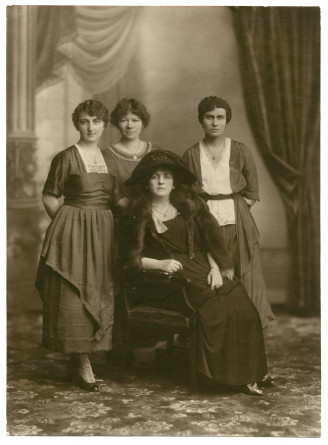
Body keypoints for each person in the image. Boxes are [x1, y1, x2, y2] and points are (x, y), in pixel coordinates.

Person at [121, 149, 273, 396]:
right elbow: (128, 262)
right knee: (218, 311)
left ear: (174, 182)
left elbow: (208, 245)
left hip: (203, 267)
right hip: (168, 280)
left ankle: (251, 369)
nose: (161, 181)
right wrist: (159, 265)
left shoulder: (190, 206)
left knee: (243, 305)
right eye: (155, 177)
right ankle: (228, 377)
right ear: (146, 182)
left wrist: (215, 268)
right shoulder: (137, 215)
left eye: (166, 177)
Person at [35, 99, 117, 392]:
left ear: (105, 125)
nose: (91, 127)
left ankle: (79, 360)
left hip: (104, 233)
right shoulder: (66, 157)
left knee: (98, 289)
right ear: (77, 124)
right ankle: (81, 360)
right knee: (73, 291)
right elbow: (49, 196)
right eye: (84, 121)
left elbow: (116, 199)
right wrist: (67, 225)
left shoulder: (109, 159)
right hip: (73, 232)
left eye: (96, 121)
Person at [183, 96, 275, 329]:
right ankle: (220, 330)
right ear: (201, 121)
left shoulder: (241, 150)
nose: (215, 122)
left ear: (227, 121)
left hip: (238, 219)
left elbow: (252, 192)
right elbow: (184, 194)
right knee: (213, 274)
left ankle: (249, 330)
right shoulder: (191, 154)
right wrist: (203, 213)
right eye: (209, 117)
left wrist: (236, 210)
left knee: (244, 274)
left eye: (220, 117)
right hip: (203, 219)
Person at [105, 98, 161, 208]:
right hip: (122, 216)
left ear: (143, 123)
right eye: (124, 120)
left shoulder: (154, 151)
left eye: (135, 120)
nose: (130, 126)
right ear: (117, 123)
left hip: (156, 211)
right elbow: (111, 194)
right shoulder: (108, 155)